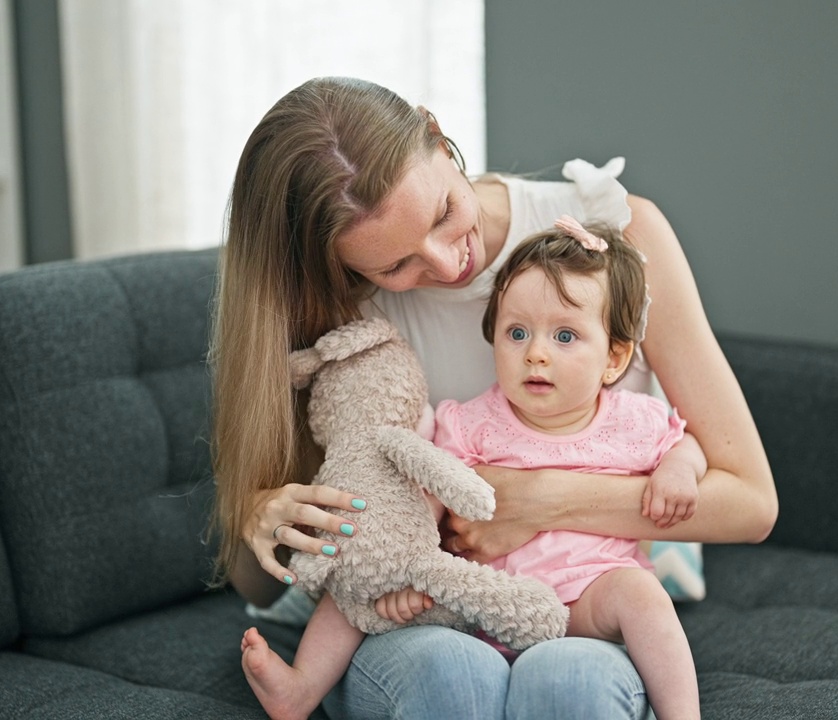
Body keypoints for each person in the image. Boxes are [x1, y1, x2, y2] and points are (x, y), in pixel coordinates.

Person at [211, 76, 777, 720]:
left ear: (435, 134)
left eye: (443, 213)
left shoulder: (614, 236)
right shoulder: (342, 314)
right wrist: (265, 516)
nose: (448, 264)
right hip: (426, 610)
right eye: (395, 267)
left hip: (581, 598)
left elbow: (751, 503)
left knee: (574, 684)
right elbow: (261, 582)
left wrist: (535, 499)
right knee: (449, 675)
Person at [241, 217, 707, 719]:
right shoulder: (470, 423)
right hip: (481, 601)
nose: (536, 354)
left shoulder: (634, 420)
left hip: (588, 598)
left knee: (640, 593)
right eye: (517, 332)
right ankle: (302, 687)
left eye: (566, 336)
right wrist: (407, 580)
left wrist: (679, 468)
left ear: (614, 358)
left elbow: (687, 442)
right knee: (373, 546)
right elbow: (427, 509)